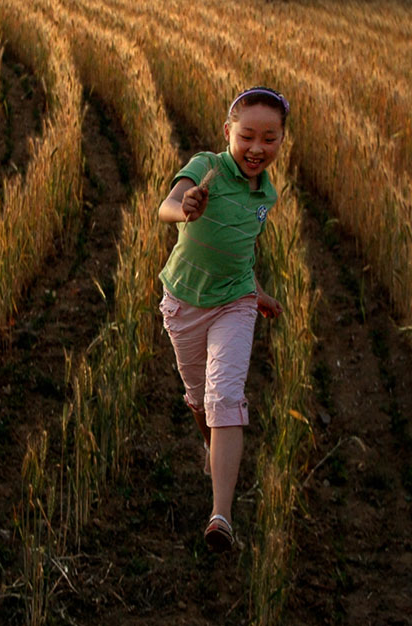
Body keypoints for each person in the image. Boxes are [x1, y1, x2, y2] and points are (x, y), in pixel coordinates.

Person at [157, 86, 288, 553]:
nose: (257, 148)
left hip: (235, 301)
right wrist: (185, 207)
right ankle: (213, 452)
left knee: (226, 395)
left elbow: (240, 251)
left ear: (280, 142)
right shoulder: (206, 166)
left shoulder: (266, 193)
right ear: (228, 132)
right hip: (185, 302)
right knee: (199, 400)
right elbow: (165, 207)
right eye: (248, 135)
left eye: (269, 139)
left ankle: (221, 516)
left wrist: (257, 292)